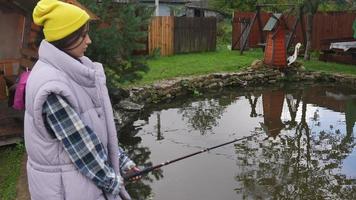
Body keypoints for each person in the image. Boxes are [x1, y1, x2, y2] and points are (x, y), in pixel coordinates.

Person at [25, 0, 139, 199]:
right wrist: (113, 181)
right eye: (82, 35)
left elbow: (95, 131)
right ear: (65, 38)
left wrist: (122, 162)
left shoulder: (74, 70)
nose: (89, 41)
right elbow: (83, 148)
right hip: (67, 191)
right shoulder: (52, 86)